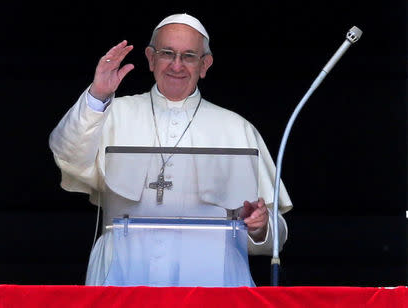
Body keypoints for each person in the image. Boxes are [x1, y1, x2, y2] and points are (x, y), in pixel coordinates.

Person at [49, 13, 293, 286]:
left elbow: (276, 233)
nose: (176, 65)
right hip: (124, 272)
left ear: (205, 65)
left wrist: (260, 227)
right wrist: (97, 95)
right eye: (167, 53)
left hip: (212, 277)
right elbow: (67, 155)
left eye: (189, 56)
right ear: (151, 58)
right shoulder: (112, 113)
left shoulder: (237, 128)